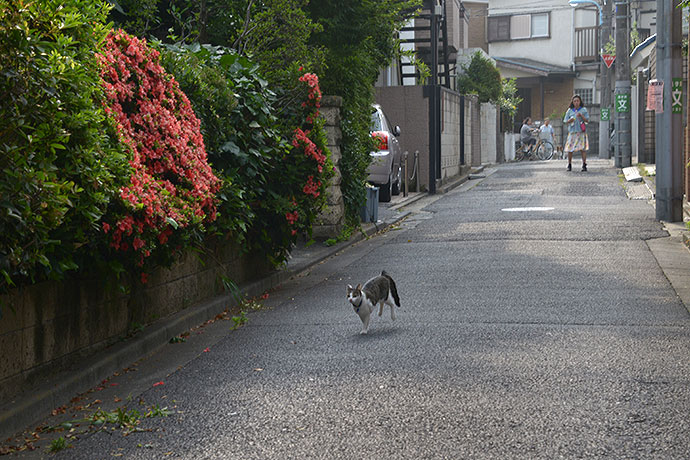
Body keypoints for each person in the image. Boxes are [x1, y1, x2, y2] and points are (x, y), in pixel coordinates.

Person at [563, 94, 589, 171]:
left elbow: (587, 120)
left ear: (580, 101)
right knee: (570, 149)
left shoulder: (583, 110)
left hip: (581, 132)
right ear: (572, 102)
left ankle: (584, 164)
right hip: (572, 132)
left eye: (578, 101)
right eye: (575, 101)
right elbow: (565, 121)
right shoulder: (569, 111)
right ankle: (569, 164)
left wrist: (581, 116)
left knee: (583, 149)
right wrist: (569, 121)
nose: (576, 102)